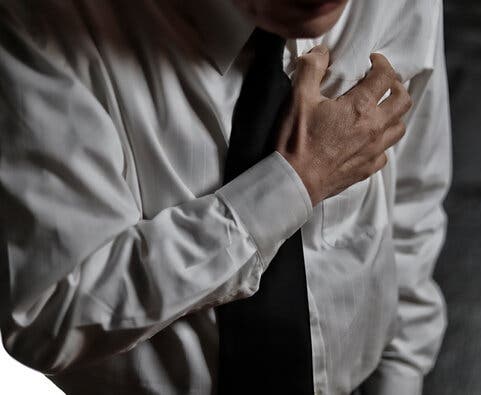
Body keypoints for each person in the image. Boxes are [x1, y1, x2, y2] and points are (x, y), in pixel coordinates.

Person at [0, 0, 451, 394]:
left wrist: (401, 374)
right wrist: (291, 185)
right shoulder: (42, 20)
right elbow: (50, 311)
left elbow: (412, 196)